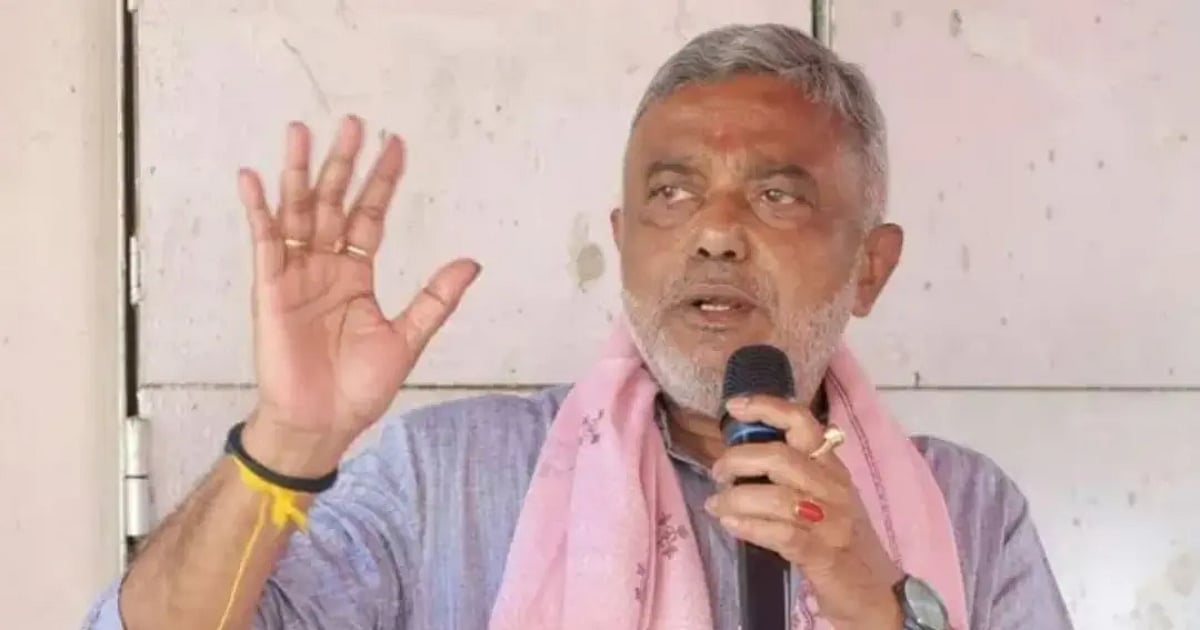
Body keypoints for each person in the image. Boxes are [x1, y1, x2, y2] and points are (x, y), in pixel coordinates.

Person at [84, 23, 1073, 630]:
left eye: (776, 196)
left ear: (871, 268)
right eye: (672, 194)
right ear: (624, 240)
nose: (715, 233)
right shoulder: (448, 481)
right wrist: (287, 444)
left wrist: (884, 609)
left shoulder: (970, 512)